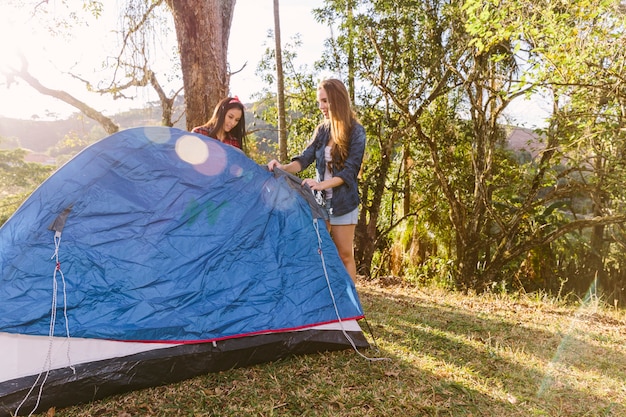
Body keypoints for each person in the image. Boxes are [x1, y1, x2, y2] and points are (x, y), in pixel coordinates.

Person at [267, 79, 366, 281]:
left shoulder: (356, 132)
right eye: (319, 102)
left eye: (325, 101)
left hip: (344, 203)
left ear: (337, 100)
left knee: (344, 254)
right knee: (316, 253)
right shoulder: (322, 131)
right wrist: (281, 167)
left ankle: (351, 311)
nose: (321, 107)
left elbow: (350, 172)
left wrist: (321, 184)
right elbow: (303, 160)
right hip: (320, 203)